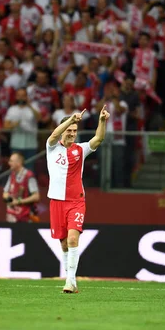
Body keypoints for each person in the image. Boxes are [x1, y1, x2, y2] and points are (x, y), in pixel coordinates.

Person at [46, 106, 110, 293]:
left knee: (73, 239)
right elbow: (53, 134)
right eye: (70, 130)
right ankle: (71, 281)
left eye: (75, 130)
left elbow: (98, 139)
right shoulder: (51, 148)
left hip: (76, 202)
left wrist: (102, 121)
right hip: (56, 202)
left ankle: (70, 281)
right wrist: (71, 120)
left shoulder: (80, 150)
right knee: (64, 242)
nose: (73, 133)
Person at [3, 152, 40, 223]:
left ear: (18, 163)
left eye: (11, 161)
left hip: (26, 217)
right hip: (12, 216)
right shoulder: (12, 175)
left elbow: (36, 197)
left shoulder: (29, 176)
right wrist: (10, 200)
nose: (9, 163)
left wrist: (18, 201)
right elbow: (5, 192)